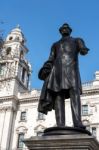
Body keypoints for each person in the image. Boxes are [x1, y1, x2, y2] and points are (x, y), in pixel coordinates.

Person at [38, 23, 89, 128]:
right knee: (58, 96)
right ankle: (60, 123)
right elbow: (51, 58)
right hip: (57, 72)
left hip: (72, 71)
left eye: (66, 28)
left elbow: (83, 49)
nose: (64, 30)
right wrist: (46, 68)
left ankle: (77, 122)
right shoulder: (55, 45)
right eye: (62, 29)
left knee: (75, 95)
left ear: (70, 30)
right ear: (60, 31)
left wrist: (83, 49)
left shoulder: (77, 40)